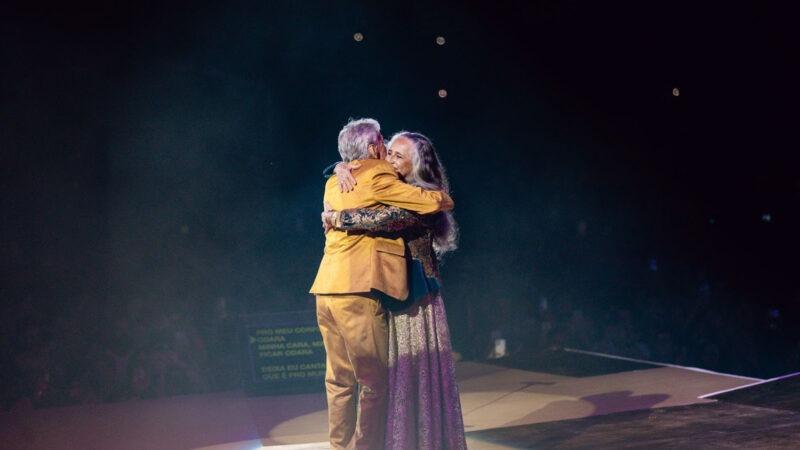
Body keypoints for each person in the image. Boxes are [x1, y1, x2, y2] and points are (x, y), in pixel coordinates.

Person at [310, 119, 454, 450]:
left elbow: (374, 206)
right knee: (374, 382)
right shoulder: (377, 175)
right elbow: (436, 202)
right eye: (382, 143)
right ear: (374, 148)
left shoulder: (335, 182)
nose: (385, 148)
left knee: (338, 380)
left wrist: (340, 178)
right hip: (357, 290)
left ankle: (339, 446)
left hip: (326, 288)